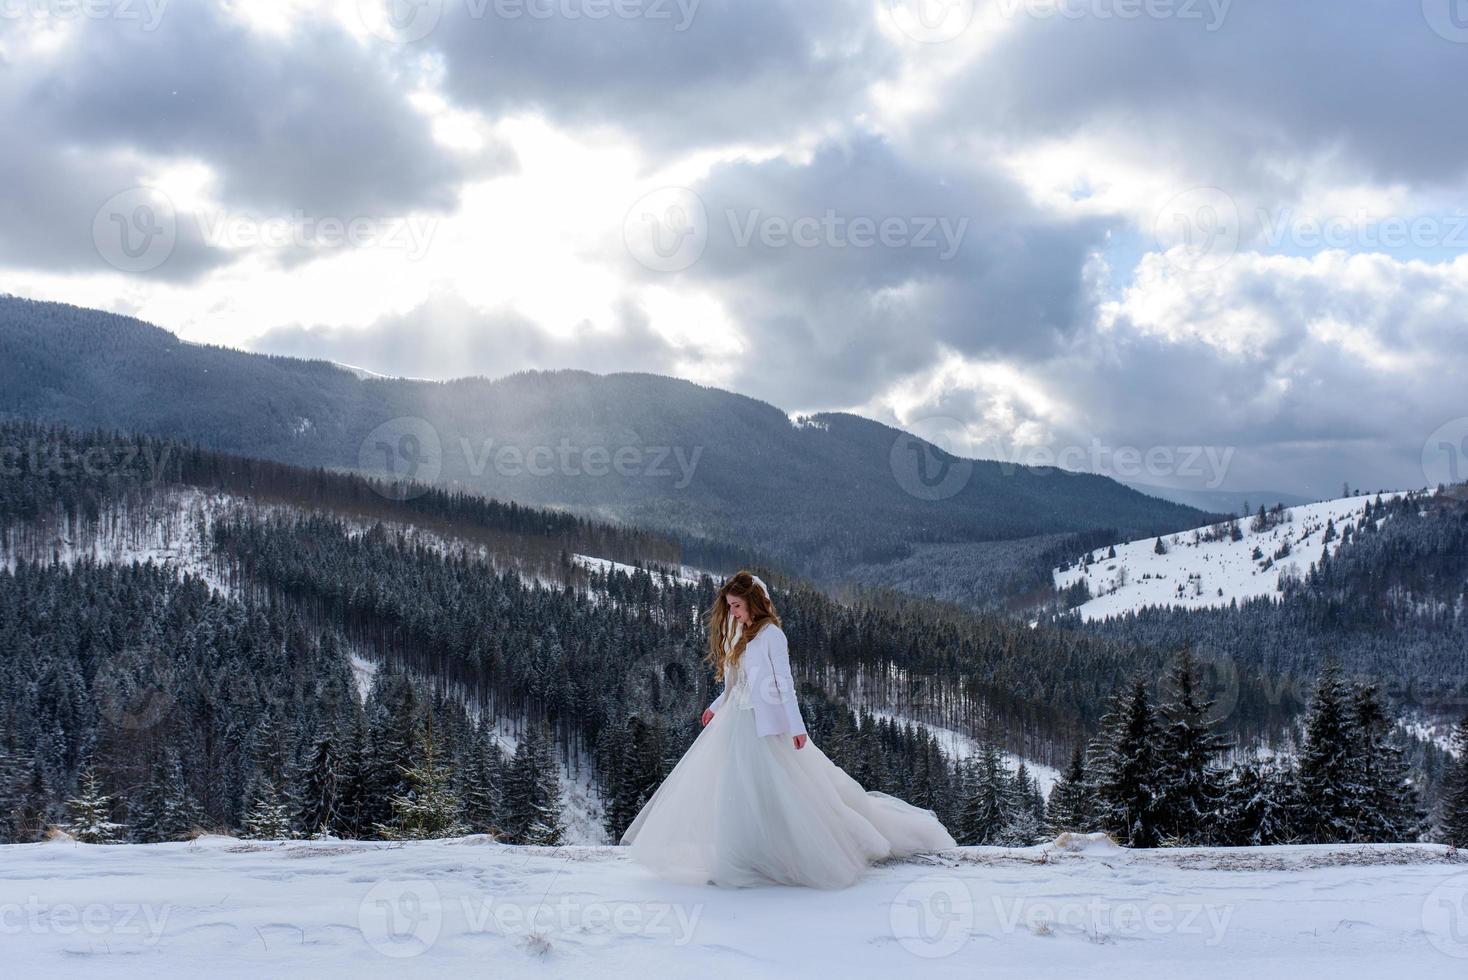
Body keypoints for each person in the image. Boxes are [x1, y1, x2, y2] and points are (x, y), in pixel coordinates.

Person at [620, 570, 957, 888]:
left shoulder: (772, 636)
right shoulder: (741, 635)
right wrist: (713, 707)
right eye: (730, 607)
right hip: (735, 721)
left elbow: (784, 686)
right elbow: (735, 685)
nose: (733, 613)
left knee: (780, 790)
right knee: (735, 791)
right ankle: (742, 855)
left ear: (753, 601)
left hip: (763, 726)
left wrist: (797, 728)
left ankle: (779, 853)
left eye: (736, 606)